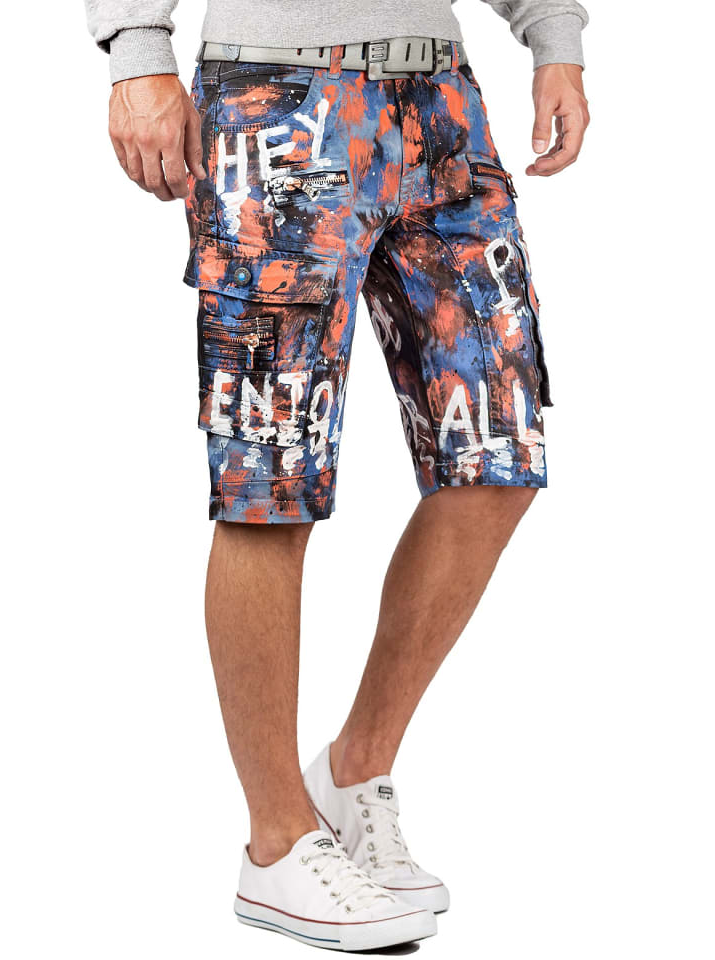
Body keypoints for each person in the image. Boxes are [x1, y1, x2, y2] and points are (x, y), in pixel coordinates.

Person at [85, 0, 589, 950]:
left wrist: (551, 34)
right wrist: (137, 49)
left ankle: (356, 769)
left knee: (499, 452)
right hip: (278, 101)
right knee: (271, 486)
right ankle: (276, 842)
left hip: (442, 103)